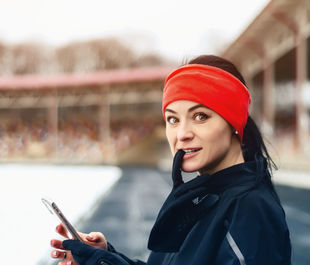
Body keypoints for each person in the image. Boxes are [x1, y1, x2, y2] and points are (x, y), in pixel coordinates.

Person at [50, 55, 292, 265]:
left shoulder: (250, 209)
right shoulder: (202, 198)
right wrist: (103, 255)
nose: (182, 133)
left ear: (234, 122)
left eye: (200, 116)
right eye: (173, 120)